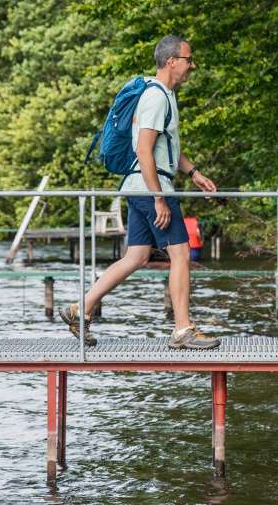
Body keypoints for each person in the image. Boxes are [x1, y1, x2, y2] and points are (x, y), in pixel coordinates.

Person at [59, 35, 220, 349]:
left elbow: (167, 147)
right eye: (188, 59)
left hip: (140, 187)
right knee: (181, 254)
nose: (192, 65)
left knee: (136, 256)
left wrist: (195, 172)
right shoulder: (157, 97)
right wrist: (159, 197)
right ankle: (182, 330)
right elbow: (144, 150)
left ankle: (81, 308)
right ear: (172, 61)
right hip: (150, 189)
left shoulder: (163, 96)